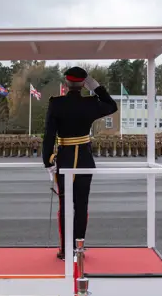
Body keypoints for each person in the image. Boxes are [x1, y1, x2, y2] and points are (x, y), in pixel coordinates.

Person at [42, 66, 118, 260]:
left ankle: (66, 249)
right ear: (84, 84)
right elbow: (112, 106)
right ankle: (79, 247)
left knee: (65, 205)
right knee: (81, 205)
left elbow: (49, 135)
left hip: (65, 159)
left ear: (66, 83)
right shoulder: (91, 104)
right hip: (84, 158)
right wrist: (97, 88)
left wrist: (48, 160)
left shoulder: (57, 104)